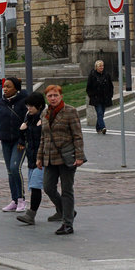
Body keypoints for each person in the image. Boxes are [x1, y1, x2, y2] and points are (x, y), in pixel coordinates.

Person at [37, 84, 84, 233]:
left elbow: (77, 135)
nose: (53, 98)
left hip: (66, 157)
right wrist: (39, 157)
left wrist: (79, 156)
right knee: (48, 187)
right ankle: (67, 210)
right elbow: (43, 137)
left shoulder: (70, 111)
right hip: (50, 157)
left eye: (55, 95)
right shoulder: (44, 113)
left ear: (61, 96)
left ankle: (67, 223)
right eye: (50, 96)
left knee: (66, 190)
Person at [0, 76, 28, 212]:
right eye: (4, 86)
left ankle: (21, 199)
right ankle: (14, 200)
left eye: (8, 86)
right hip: (5, 140)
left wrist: (23, 140)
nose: (5, 89)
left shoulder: (23, 102)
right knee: (10, 171)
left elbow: (28, 123)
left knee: (15, 168)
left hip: (19, 141)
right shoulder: (1, 103)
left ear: (16, 88)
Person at [16, 91, 48, 225]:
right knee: (48, 189)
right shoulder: (28, 117)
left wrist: (37, 127)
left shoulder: (45, 117)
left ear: (39, 106)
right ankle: (64, 209)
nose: (29, 108)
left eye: (31, 106)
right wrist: (22, 132)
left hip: (44, 158)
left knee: (35, 186)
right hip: (31, 157)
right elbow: (26, 137)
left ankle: (30, 215)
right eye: (28, 106)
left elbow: (45, 137)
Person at [85, 59, 113, 135]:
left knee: (102, 113)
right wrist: (92, 96)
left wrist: (110, 95)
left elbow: (110, 86)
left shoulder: (106, 75)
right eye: (100, 66)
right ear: (96, 67)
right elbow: (88, 87)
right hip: (96, 98)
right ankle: (103, 127)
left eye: (102, 66)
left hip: (104, 97)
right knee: (99, 112)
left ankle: (98, 128)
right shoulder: (92, 75)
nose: (101, 67)